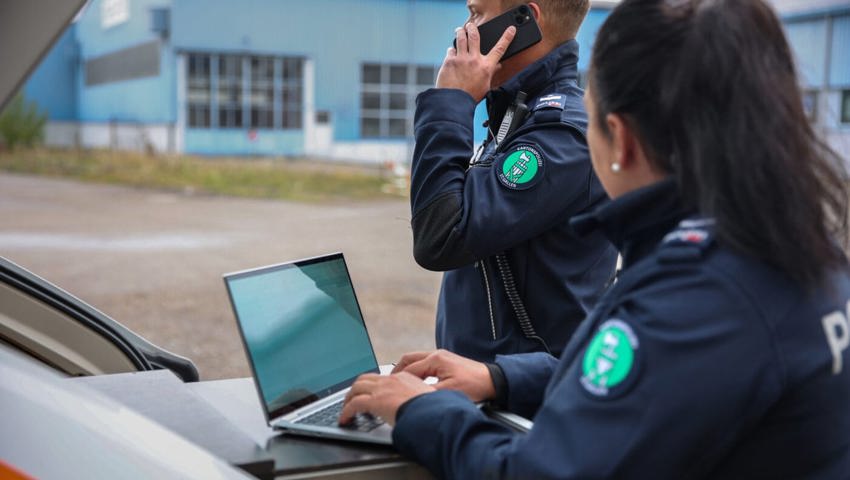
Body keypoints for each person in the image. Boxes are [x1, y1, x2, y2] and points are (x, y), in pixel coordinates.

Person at [340, 0, 850, 477]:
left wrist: (420, 411)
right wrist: (501, 379)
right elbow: (664, 377)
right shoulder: (799, 254)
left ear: (620, 138)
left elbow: (536, 471)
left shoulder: (691, 297)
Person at [410, 0, 618, 361]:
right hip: (482, 387)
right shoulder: (519, 116)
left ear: (524, 20)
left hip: (525, 401)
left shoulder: (562, 135)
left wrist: (450, 103)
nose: (464, 30)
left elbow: (439, 237)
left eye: (476, 15)